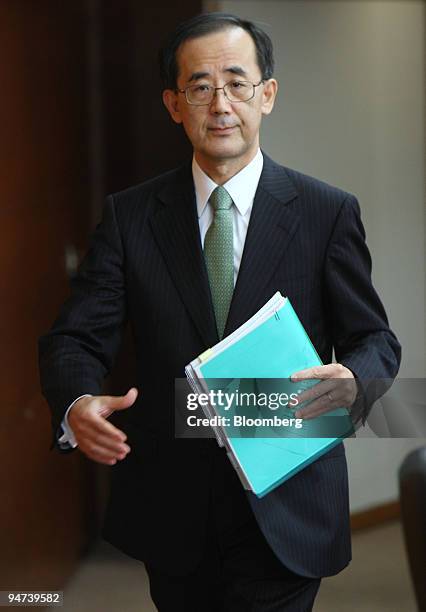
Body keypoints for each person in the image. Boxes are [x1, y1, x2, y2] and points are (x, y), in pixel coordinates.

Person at [38, 12, 401, 612]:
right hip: (173, 504)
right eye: (200, 88)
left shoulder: (326, 211)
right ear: (174, 105)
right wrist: (76, 402)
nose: (221, 104)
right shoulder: (131, 217)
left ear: (268, 95)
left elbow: (375, 339)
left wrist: (356, 379)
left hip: (289, 491)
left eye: (237, 83)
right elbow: (73, 339)